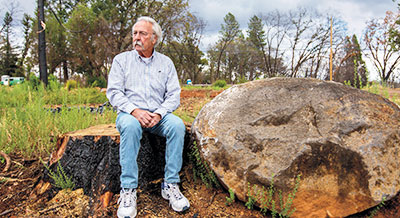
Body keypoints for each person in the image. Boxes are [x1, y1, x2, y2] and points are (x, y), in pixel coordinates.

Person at [106, 16, 190, 218]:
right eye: (135, 33)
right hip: (130, 115)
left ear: (154, 38)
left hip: (158, 116)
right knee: (131, 127)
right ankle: (128, 190)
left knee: (177, 126)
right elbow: (114, 93)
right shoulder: (121, 60)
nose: (136, 37)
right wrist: (135, 111)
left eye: (142, 33)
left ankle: (170, 184)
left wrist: (160, 113)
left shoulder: (166, 63)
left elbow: (174, 95)